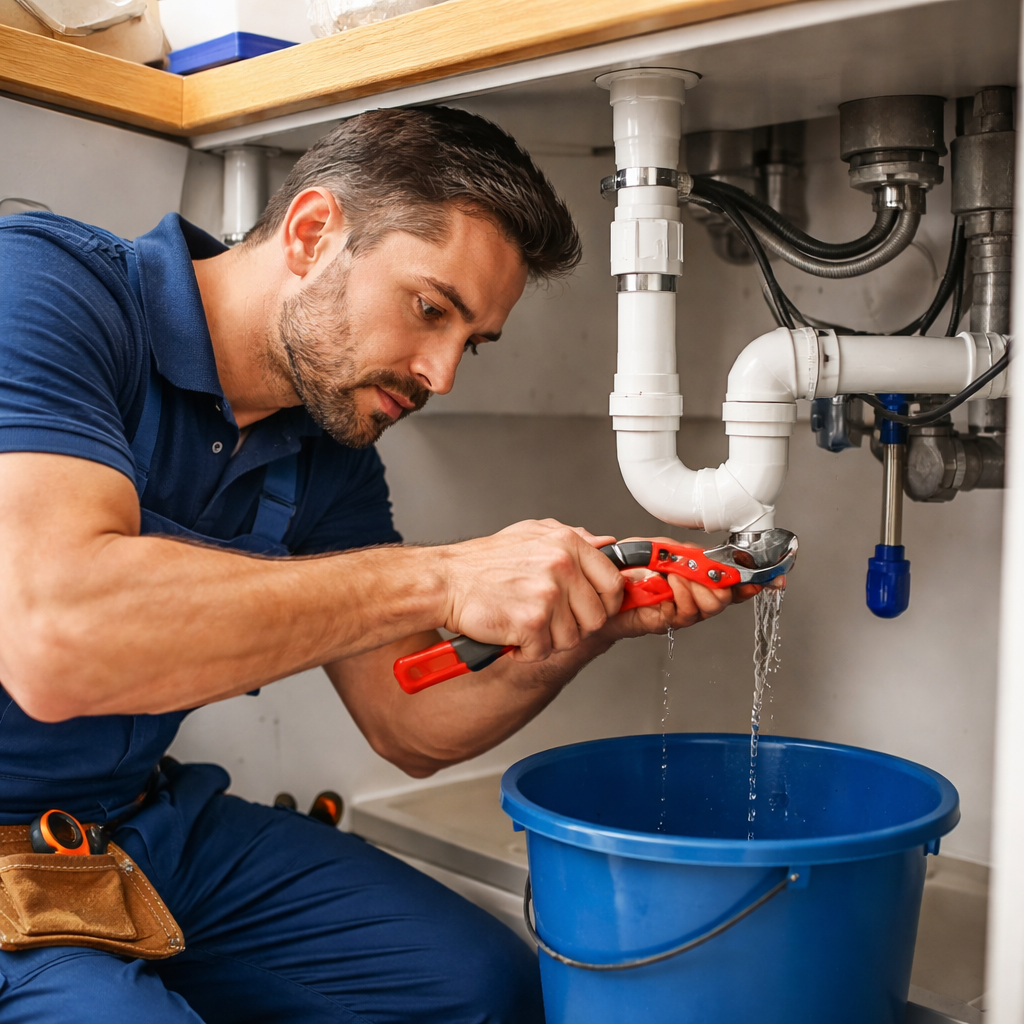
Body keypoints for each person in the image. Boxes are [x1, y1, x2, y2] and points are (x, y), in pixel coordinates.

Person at [0, 106, 755, 1023]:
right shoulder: (43, 288)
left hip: (138, 823)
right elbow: (55, 640)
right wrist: (444, 577)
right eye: (430, 309)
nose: (441, 375)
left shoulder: (329, 445)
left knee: (481, 988)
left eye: (470, 342)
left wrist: (587, 620)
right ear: (313, 231)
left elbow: (410, 720)